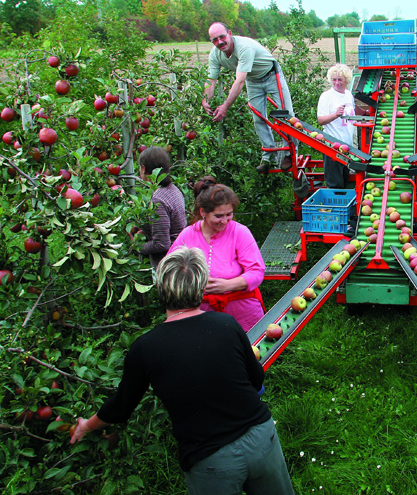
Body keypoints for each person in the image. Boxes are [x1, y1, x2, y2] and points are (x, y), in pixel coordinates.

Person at [70, 247, 294, 494]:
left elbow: (121, 406)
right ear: (200, 288)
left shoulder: (146, 347)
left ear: (161, 289)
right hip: (261, 438)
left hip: (210, 458)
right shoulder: (227, 325)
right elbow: (256, 378)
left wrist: (86, 426)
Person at [169, 177, 265, 332]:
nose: (225, 221)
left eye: (229, 214)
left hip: (242, 313)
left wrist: (227, 285)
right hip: (202, 315)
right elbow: (171, 270)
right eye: (218, 216)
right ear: (203, 212)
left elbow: (256, 271)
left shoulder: (239, 232)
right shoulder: (188, 235)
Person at [202, 22, 295, 174]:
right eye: (214, 40)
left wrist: (225, 106)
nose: (219, 42)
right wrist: (205, 99)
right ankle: (268, 156)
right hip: (252, 80)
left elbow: (239, 81)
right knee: (258, 117)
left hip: (272, 74)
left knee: (287, 115)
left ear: (230, 34)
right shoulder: (215, 54)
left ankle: (289, 154)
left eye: (222, 37)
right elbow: (211, 79)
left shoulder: (244, 47)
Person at [138, 147, 187, 271]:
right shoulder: (174, 190)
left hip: (168, 268)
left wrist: (136, 246)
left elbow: (161, 244)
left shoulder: (158, 199)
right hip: (182, 259)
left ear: (143, 168)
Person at [317, 63, 356, 189]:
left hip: (346, 145)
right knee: (335, 183)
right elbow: (320, 120)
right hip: (332, 145)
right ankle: (335, 206)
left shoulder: (348, 95)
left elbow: (352, 113)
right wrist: (335, 114)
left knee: (345, 179)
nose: (337, 82)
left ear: (346, 80)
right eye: (334, 79)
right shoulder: (327, 96)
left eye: (340, 79)